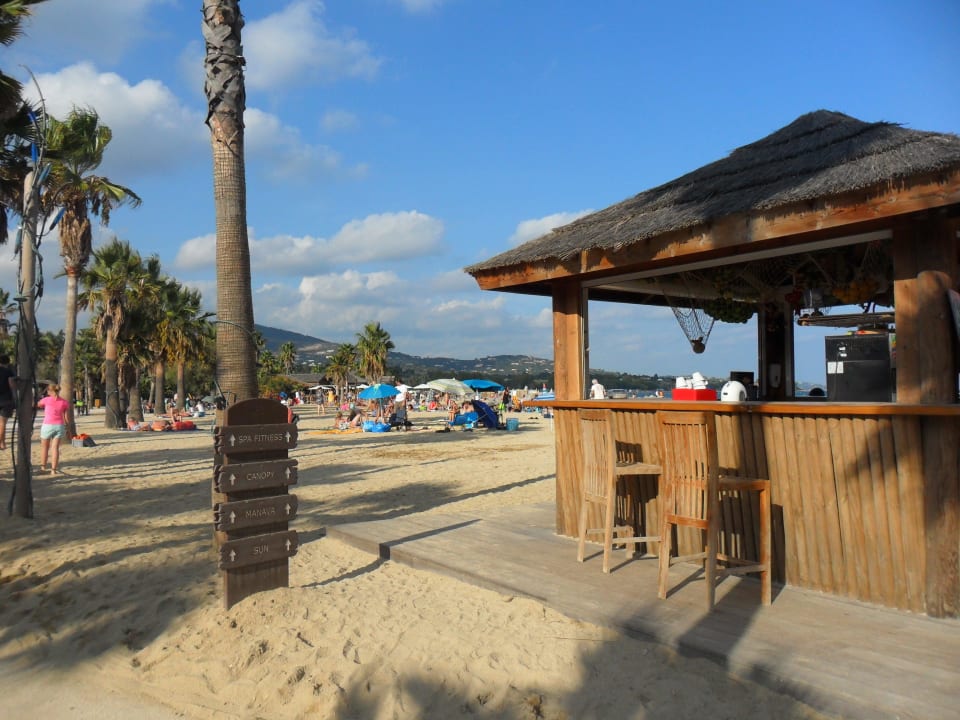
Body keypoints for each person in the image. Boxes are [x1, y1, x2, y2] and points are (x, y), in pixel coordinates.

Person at [38, 383, 70, 474]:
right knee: (55, 448)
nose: (47, 392)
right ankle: (53, 470)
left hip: (47, 425)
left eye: (47, 390)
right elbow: (66, 417)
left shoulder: (46, 400)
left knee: (44, 447)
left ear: (50, 391)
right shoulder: (64, 402)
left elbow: (37, 405)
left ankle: (43, 467)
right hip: (59, 426)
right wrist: (68, 428)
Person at [0, 355, 16, 450]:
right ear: (8, 362)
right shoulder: (8, 371)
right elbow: (11, 385)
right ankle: (2, 443)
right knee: (2, 423)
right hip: (6, 399)